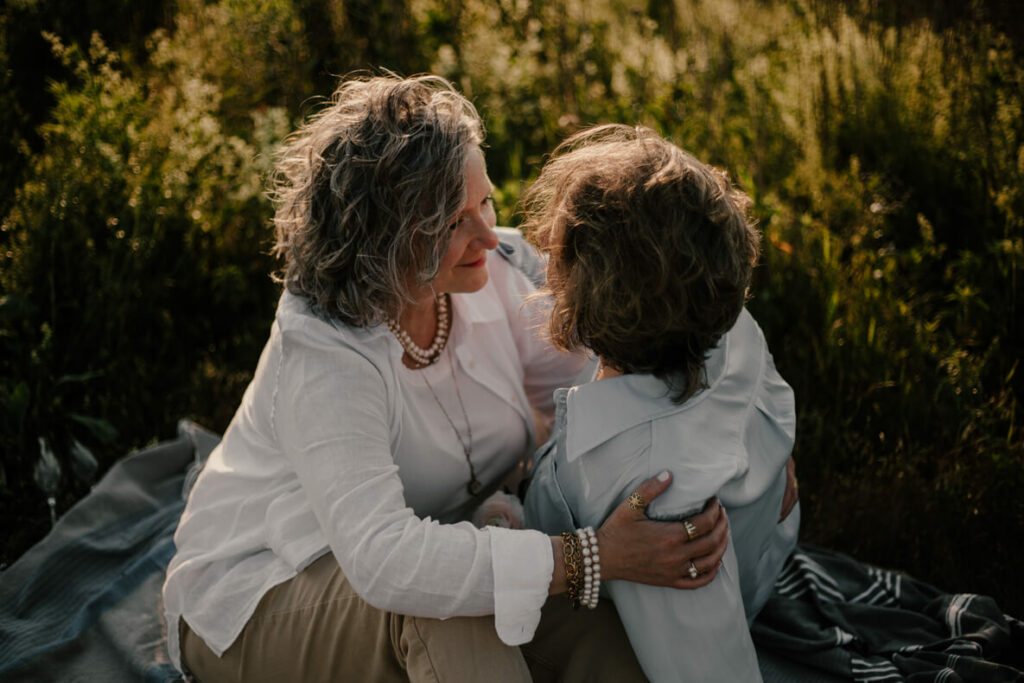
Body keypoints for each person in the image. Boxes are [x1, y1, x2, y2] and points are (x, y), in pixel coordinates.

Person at [161, 74, 733, 683]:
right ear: (382, 240)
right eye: (453, 222)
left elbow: (643, 348)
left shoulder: (490, 270)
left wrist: (744, 433)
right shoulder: (324, 349)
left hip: (448, 547)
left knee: (593, 624)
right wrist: (590, 555)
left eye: (483, 201)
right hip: (259, 592)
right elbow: (386, 561)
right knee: (445, 609)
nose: (489, 233)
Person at [522, 124, 800, 682]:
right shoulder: (729, 329)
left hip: (626, 626)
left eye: (558, 242)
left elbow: (710, 664)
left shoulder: (655, 494)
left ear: (590, 288)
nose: (543, 244)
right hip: (765, 545)